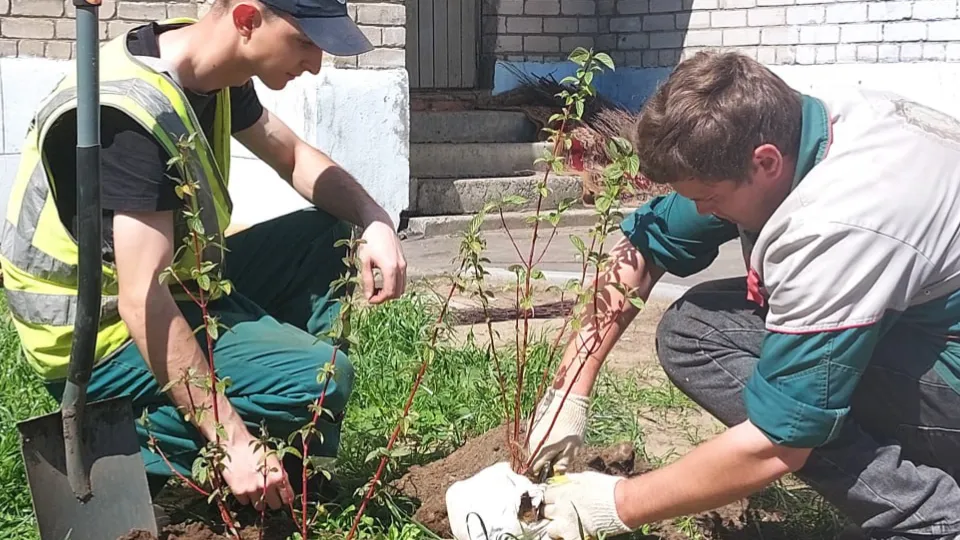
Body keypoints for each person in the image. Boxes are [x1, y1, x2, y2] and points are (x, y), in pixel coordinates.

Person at [526, 50, 960, 540]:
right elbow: (643, 248)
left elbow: (781, 441)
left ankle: (928, 515)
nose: (700, 210)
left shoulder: (839, 221)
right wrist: (568, 393)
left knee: (789, 401)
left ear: (766, 163)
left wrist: (608, 505)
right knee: (694, 329)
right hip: (923, 325)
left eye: (708, 199)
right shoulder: (791, 124)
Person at [1, 0, 407, 513]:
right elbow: (140, 298)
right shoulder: (126, 120)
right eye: (305, 42)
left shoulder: (211, 73)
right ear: (246, 19)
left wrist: (374, 219)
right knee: (323, 377)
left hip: (173, 287)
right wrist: (233, 442)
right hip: (96, 341)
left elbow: (294, 157)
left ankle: (295, 460)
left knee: (326, 237)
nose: (316, 64)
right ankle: (183, 439)